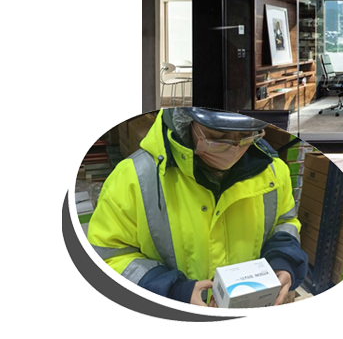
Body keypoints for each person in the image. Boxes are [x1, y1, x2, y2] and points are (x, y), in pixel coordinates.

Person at [88, 107, 307, 307]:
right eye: (217, 137)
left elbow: (284, 223)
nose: (234, 148)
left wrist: (283, 261)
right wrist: (172, 292)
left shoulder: (274, 172)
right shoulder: (133, 179)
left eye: (246, 135)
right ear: (184, 122)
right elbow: (109, 256)